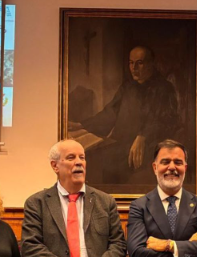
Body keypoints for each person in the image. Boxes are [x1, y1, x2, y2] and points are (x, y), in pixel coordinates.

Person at [68, 45, 179, 186]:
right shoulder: (127, 87)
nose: (134, 68)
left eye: (139, 63)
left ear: (151, 64)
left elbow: (166, 120)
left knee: (103, 163)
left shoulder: (164, 88)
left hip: (150, 146)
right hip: (122, 143)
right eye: (131, 63)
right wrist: (81, 125)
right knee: (90, 157)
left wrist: (143, 136)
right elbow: (110, 112)